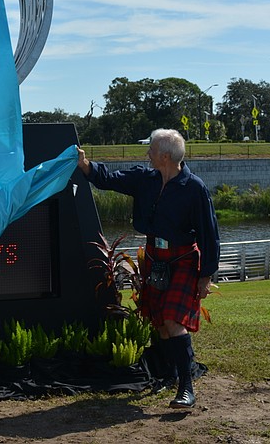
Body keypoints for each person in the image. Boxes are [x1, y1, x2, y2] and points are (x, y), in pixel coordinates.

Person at [76, 128, 220, 409]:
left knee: (172, 320)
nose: (147, 154)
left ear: (165, 156)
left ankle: (186, 387)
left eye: (151, 150)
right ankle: (171, 374)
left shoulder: (195, 189)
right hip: (156, 258)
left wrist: (206, 276)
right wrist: (85, 166)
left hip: (184, 261)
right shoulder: (146, 179)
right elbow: (110, 179)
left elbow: (209, 234)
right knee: (162, 326)